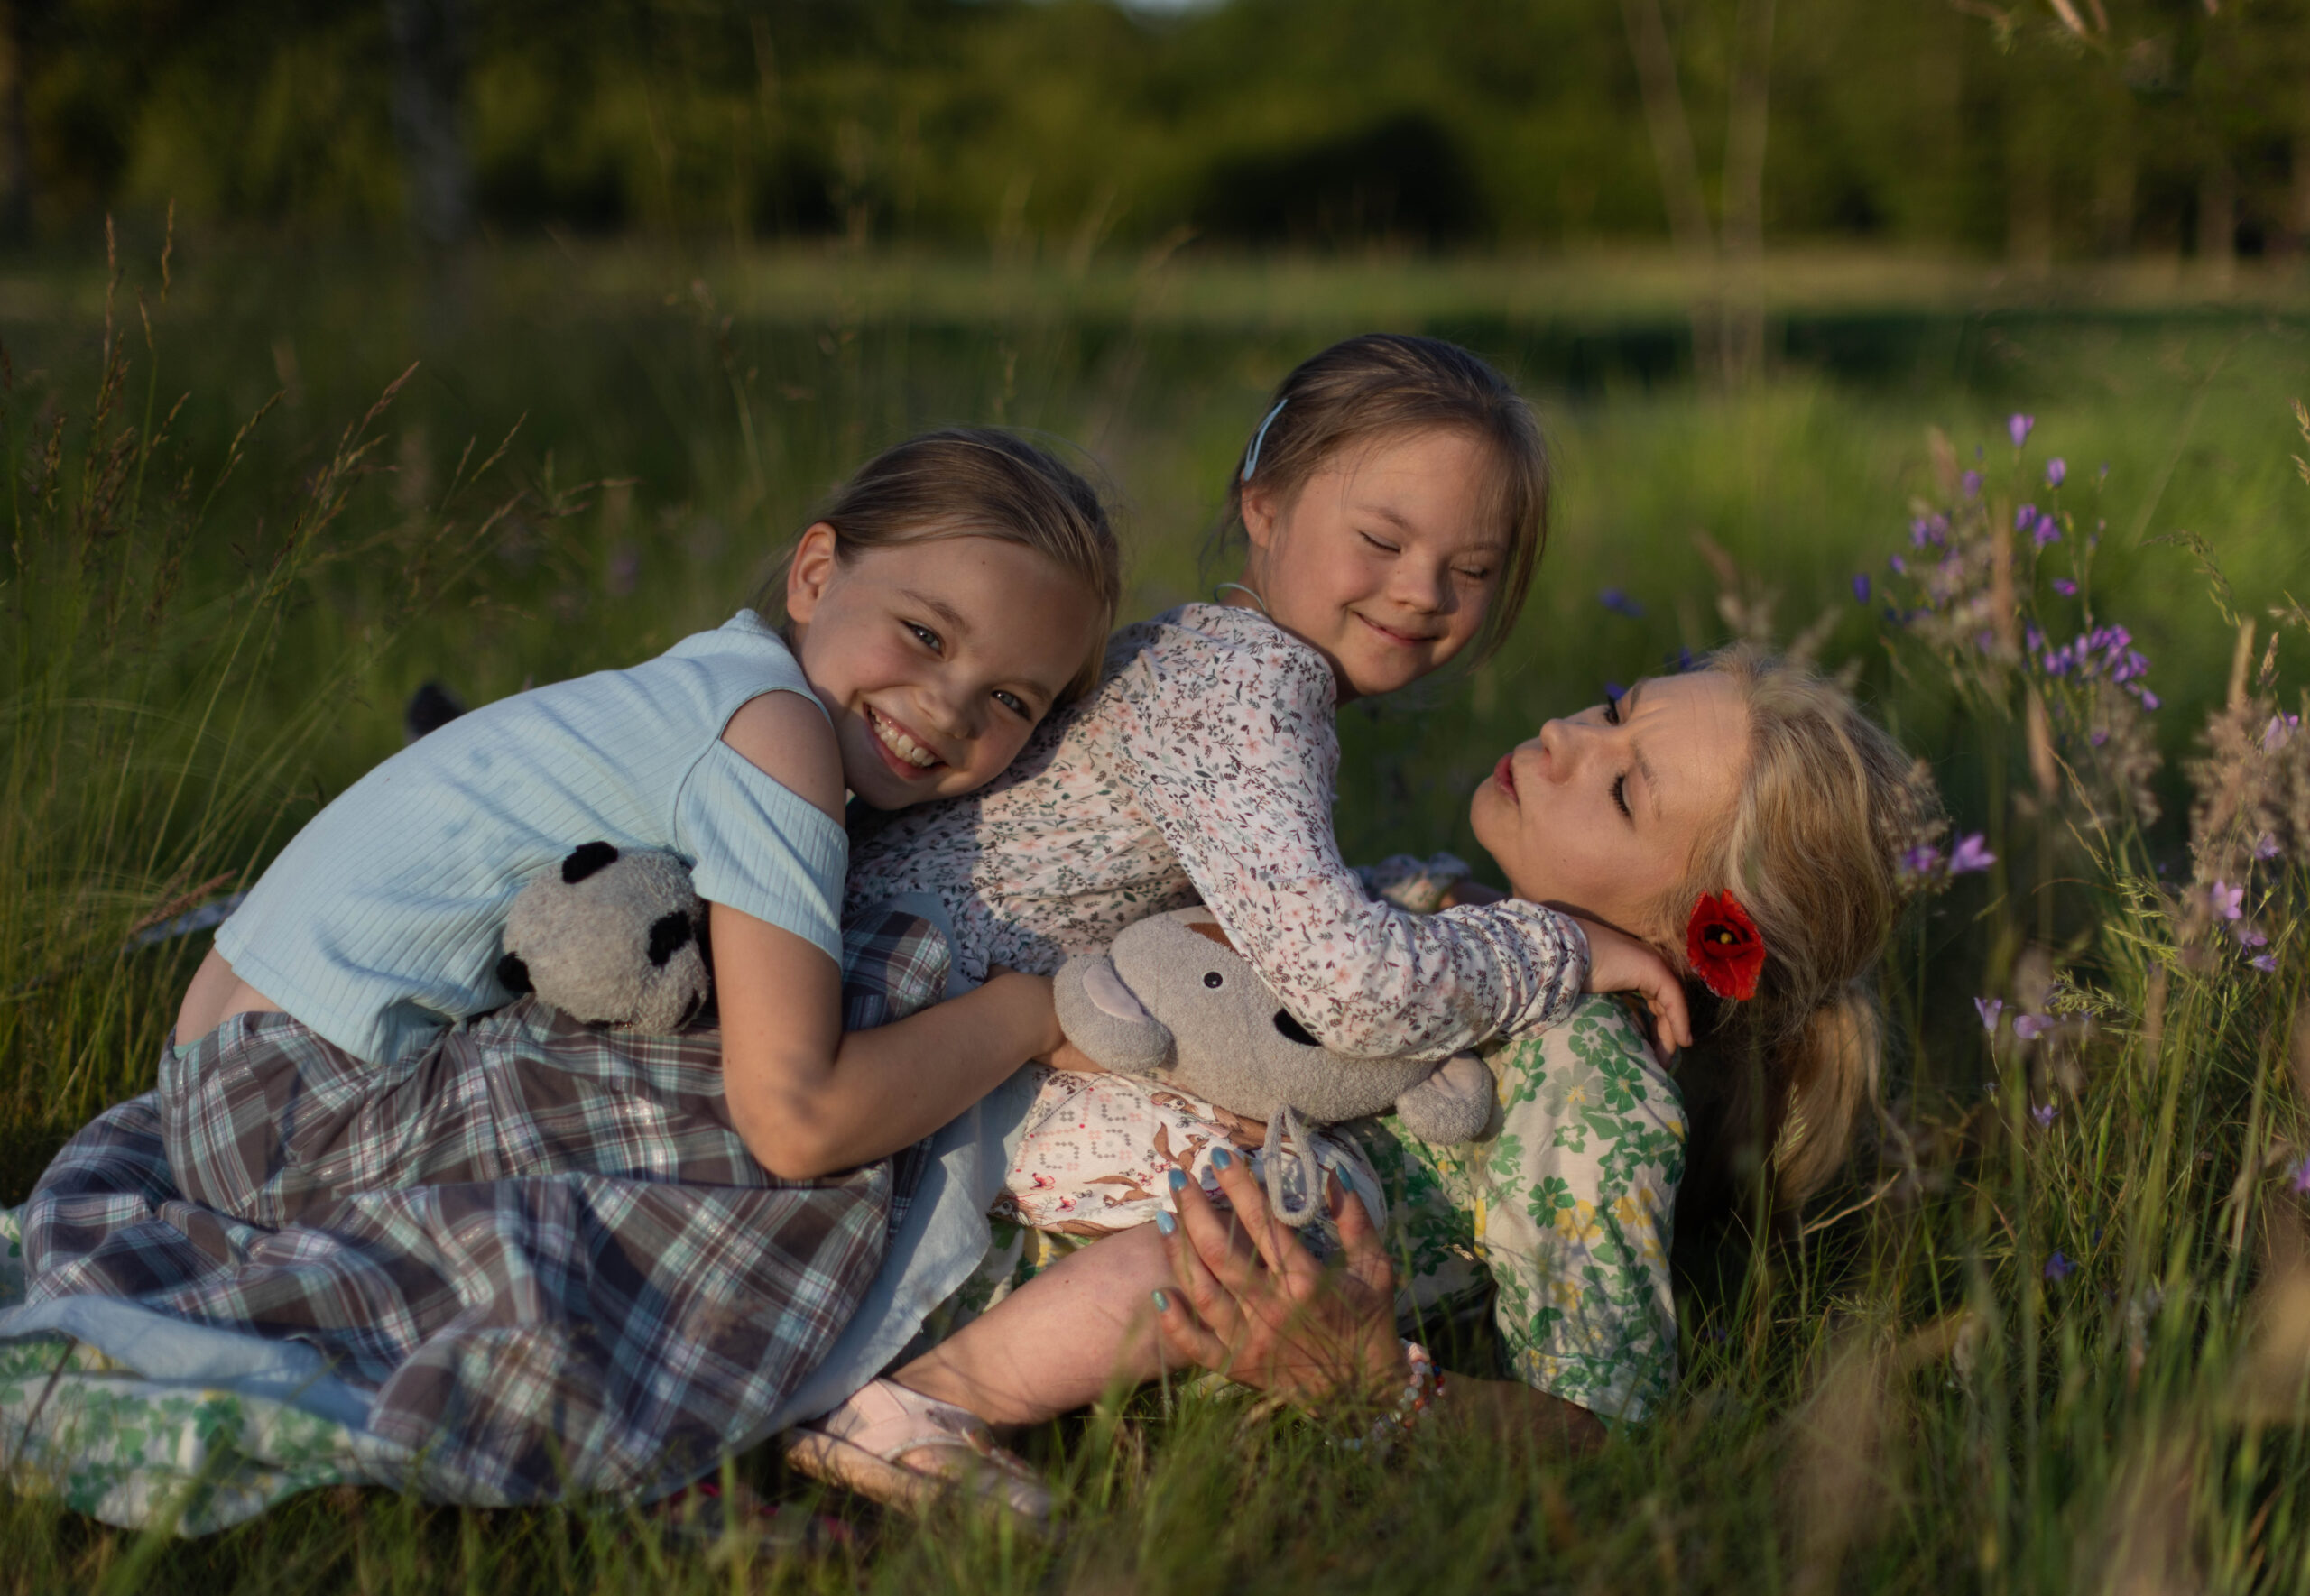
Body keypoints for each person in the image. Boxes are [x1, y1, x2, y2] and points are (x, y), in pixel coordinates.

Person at [14, 429, 1122, 1506]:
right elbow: (799, 1116)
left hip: (221, 1084)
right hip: (295, 1113)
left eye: (1014, 699)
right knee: (848, 1034)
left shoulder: (710, 687)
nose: (948, 705)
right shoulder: (773, 733)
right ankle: (679, 1423)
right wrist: (1025, 1012)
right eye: (925, 633)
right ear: (815, 571)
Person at [790, 335, 1698, 1494]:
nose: (1421, 589)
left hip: (930, 1014)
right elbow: (1351, 982)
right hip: (912, 1023)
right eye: (1381, 540)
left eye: (1471, 569)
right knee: (1277, 1217)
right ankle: (926, 1401)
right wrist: (1560, 943)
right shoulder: (1244, 685)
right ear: (1260, 505)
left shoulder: (1215, 661)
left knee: (1276, 1198)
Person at [1094, 648, 1936, 1450]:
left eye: (1622, 791)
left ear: (1698, 937)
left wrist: (1372, 1383)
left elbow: (1603, 1426)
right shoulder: (1444, 903)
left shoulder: (1592, 1085)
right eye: (1615, 709)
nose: (1567, 735)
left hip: (1121, 1286)